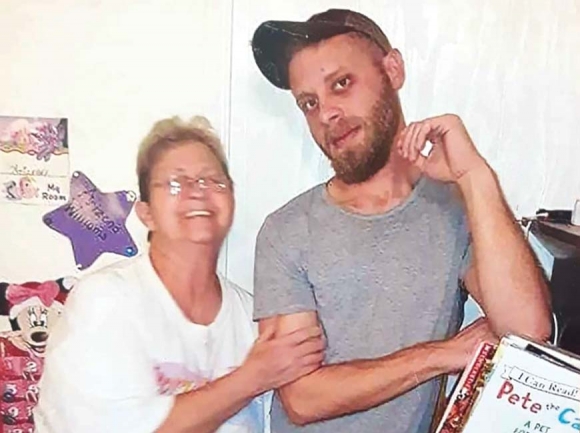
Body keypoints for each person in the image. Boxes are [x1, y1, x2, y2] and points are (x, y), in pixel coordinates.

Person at [250, 8, 552, 433]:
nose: (327, 114)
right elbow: (302, 398)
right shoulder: (286, 231)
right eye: (309, 103)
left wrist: (475, 176)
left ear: (392, 70)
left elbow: (528, 334)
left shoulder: (455, 211)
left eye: (341, 84)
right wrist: (443, 354)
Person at [34, 116, 324, 433]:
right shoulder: (105, 301)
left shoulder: (252, 319)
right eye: (176, 183)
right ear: (146, 213)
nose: (197, 192)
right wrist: (253, 377)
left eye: (213, 181)